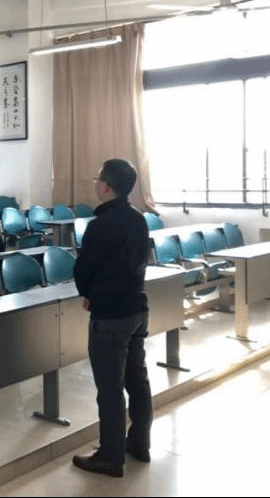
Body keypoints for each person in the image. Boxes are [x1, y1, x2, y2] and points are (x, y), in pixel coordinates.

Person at [72, 158, 152, 478]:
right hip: (137, 308)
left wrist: (89, 293)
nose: (95, 183)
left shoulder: (100, 224)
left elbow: (84, 269)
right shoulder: (139, 219)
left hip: (111, 315)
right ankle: (139, 444)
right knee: (138, 380)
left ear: (106, 187)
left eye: (97, 179)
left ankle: (110, 456)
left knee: (109, 387)